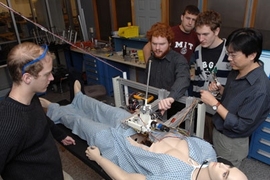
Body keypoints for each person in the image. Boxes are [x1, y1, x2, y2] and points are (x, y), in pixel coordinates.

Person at [40, 80, 248, 180]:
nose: (222, 166)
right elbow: (175, 134)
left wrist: (99, 159)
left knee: (80, 123)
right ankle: (80, 98)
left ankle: (53, 108)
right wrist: (151, 121)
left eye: (226, 174)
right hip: (142, 127)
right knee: (103, 108)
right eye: (229, 167)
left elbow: (127, 179)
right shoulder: (208, 153)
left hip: (118, 145)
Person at [0, 42, 75, 180]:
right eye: (47, 74)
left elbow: (41, 119)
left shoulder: (31, 98)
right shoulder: (8, 125)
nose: (52, 78)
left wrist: (60, 135)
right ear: (27, 78)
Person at [200, 28, 270, 168]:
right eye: (228, 54)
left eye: (233, 55)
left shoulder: (260, 89)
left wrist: (214, 104)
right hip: (219, 130)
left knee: (224, 173)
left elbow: (241, 125)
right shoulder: (237, 70)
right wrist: (221, 90)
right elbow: (236, 99)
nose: (229, 59)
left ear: (251, 55)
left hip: (232, 142)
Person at [189, 10, 231, 143]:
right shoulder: (197, 50)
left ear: (216, 31)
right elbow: (197, 79)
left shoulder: (230, 51)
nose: (201, 39)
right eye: (198, 34)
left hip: (221, 111)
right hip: (201, 109)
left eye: (205, 34)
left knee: (219, 149)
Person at [144, 22, 190, 116]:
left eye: (162, 44)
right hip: (153, 109)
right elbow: (146, 84)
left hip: (174, 111)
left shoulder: (179, 60)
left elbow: (183, 79)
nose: (157, 48)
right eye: (154, 44)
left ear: (169, 43)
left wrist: (170, 98)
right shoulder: (151, 60)